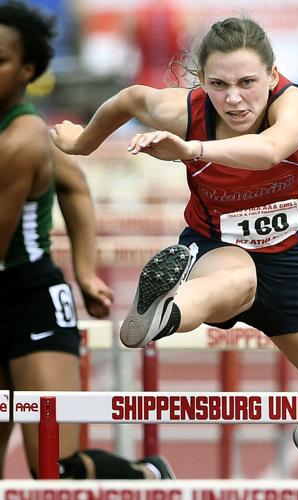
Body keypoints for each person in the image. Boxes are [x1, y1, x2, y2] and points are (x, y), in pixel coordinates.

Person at [51, 16, 298, 480]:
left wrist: (191, 151)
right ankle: (165, 309)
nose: (234, 98)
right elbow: (129, 99)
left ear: (272, 74)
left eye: (246, 82)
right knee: (239, 278)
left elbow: (268, 150)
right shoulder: (184, 110)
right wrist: (81, 143)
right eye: (219, 85)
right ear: (201, 82)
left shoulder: (296, 104)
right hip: (215, 252)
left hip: (287, 267)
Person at [0, 1, 174, 479]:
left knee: (56, 468)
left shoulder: (22, 138)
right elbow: (74, 187)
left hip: (30, 300)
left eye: (0, 61)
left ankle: (146, 477)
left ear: (26, 70)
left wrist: (77, 274)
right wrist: (86, 269)